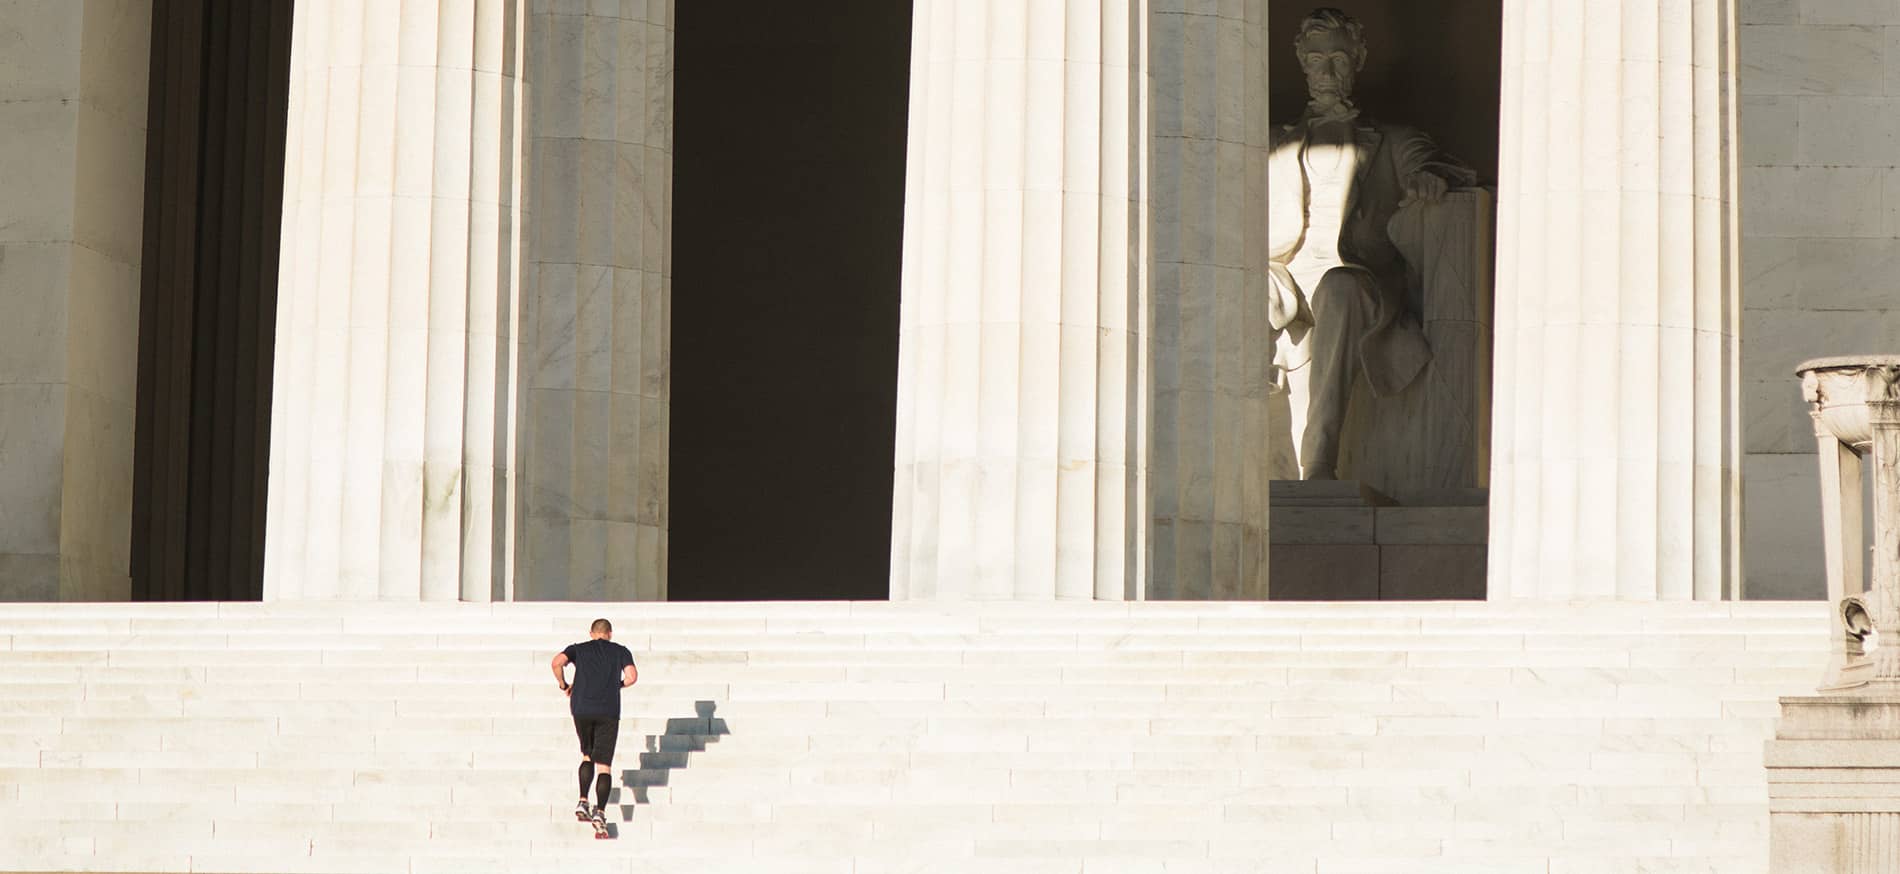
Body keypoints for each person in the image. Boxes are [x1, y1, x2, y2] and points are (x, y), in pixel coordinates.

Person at [1267, 7, 1474, 479]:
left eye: (1339, 58)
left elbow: (1440, 165)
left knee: (1339, 288)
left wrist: (1427, 178)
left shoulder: (1394, 141)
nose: (1327, 71)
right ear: (1301, 62)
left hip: (1356, 278)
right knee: (1234, 288)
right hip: (1283, 274)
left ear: (1357, 60)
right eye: (1317, 59)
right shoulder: (1272, 144)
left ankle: (1319, 458)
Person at [550, 618, 638, 833]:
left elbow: (556, 662)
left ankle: (582, 800)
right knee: (604, 765)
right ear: (610, 633)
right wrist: (616, 685)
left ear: (591, 633)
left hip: (581, 708)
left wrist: (564, 685)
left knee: (587, 754)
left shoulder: (578, 649)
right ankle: (600, 813)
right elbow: (632, 677)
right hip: (608, 710)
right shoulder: (620, 651)